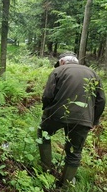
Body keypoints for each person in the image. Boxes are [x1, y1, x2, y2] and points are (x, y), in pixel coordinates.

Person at [37, 51, 105, 187]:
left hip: (56, 114)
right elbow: (101, 100)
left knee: (43, 134)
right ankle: (66, 184)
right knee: (74, 151)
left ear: (62, 61)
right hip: (83, 118)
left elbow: (47, 95)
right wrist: (93, 120)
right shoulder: (93, 73)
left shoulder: (58, 71)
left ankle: (46, 171)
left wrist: (47, 112)